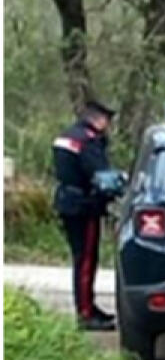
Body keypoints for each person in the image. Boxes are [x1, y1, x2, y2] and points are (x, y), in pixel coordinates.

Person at [52, 97, 116, 330]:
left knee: (82, 259)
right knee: (86, 260)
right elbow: (102, 177)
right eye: (107, 121)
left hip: (67, 202)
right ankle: (86, 314)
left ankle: (88, 305)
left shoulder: (66, 136)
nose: (108, 126)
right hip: (84, 206)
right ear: (97, 120)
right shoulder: (88, 141)